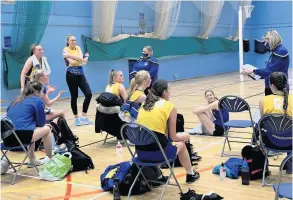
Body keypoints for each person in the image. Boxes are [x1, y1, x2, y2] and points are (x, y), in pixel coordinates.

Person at [136, 79, 200, 183]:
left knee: (155, 140)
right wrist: (186, 136)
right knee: (181, 144)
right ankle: (190, 174)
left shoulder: (144, 104)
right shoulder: (170, 106)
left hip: (140, 153)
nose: (170, 92)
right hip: (158, 154)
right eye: (169, 90)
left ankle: (159, 176)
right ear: (164, 92)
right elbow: (173, 137)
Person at [5, 81, 52, 167]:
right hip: (21, 138)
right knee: (47, 128)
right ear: (37, 92)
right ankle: (49, 159)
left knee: (30, 128)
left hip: (7, 138)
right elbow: (41, 123)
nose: (42, 94)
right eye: (42, 91)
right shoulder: (38, 100)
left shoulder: (15, 100)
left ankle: (32, 159)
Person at [258, 72, 292, 173]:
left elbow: (263, 123)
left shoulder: (263, 101)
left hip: (271, 142)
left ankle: (264, 167)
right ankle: (290, 165)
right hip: (291, 142)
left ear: (272, 85)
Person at [243, 30, 289, 96]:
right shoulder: (274, 51)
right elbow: (270, 71)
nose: (264, 44)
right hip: (270, 86)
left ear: (271, 40)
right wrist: (255, 74)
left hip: (278, 88)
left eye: (265, 41)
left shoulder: (281, 51)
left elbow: (270, 71)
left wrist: (253, 70)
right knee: (268, 106)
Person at [63, 34, 92, 126]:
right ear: (68, 41)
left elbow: (80, 59)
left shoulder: (78, 48)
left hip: (80, 74)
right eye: (72, 40)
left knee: (89, 94)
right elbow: (72, 62)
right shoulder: (65, 50)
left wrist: (73, 57)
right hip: (71, 75)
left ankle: (84, 117)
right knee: (74, 96)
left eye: (75, 40)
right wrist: (81, 59)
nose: (74, 42)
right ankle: (76, 119)